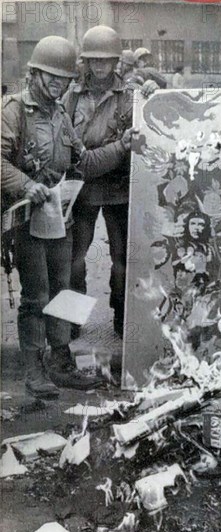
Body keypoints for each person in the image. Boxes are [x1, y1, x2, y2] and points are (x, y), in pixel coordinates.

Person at [1, 36, 136, 397]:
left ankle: (63, 364)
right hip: (28, 221)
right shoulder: (13, 110)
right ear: (34, 74)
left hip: (61, 218)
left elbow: (84, 163)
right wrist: (26, 184)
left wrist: (121, 147)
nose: (58, 85)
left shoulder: (60, 114)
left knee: (67, 289)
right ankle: (34, 369)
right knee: (36, 296)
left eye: (63, 79)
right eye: (51, 77)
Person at [63, 26, 141, 339]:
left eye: (106, 60)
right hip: (82, 188)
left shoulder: (131, 95)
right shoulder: (72, 94)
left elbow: (139, 139)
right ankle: (70, 324)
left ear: (114, 62)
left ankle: (122, 318)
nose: (99, 67)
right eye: (93, 60)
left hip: (119, 188)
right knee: (74, 260)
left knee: (122, 260)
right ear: (85, 61)